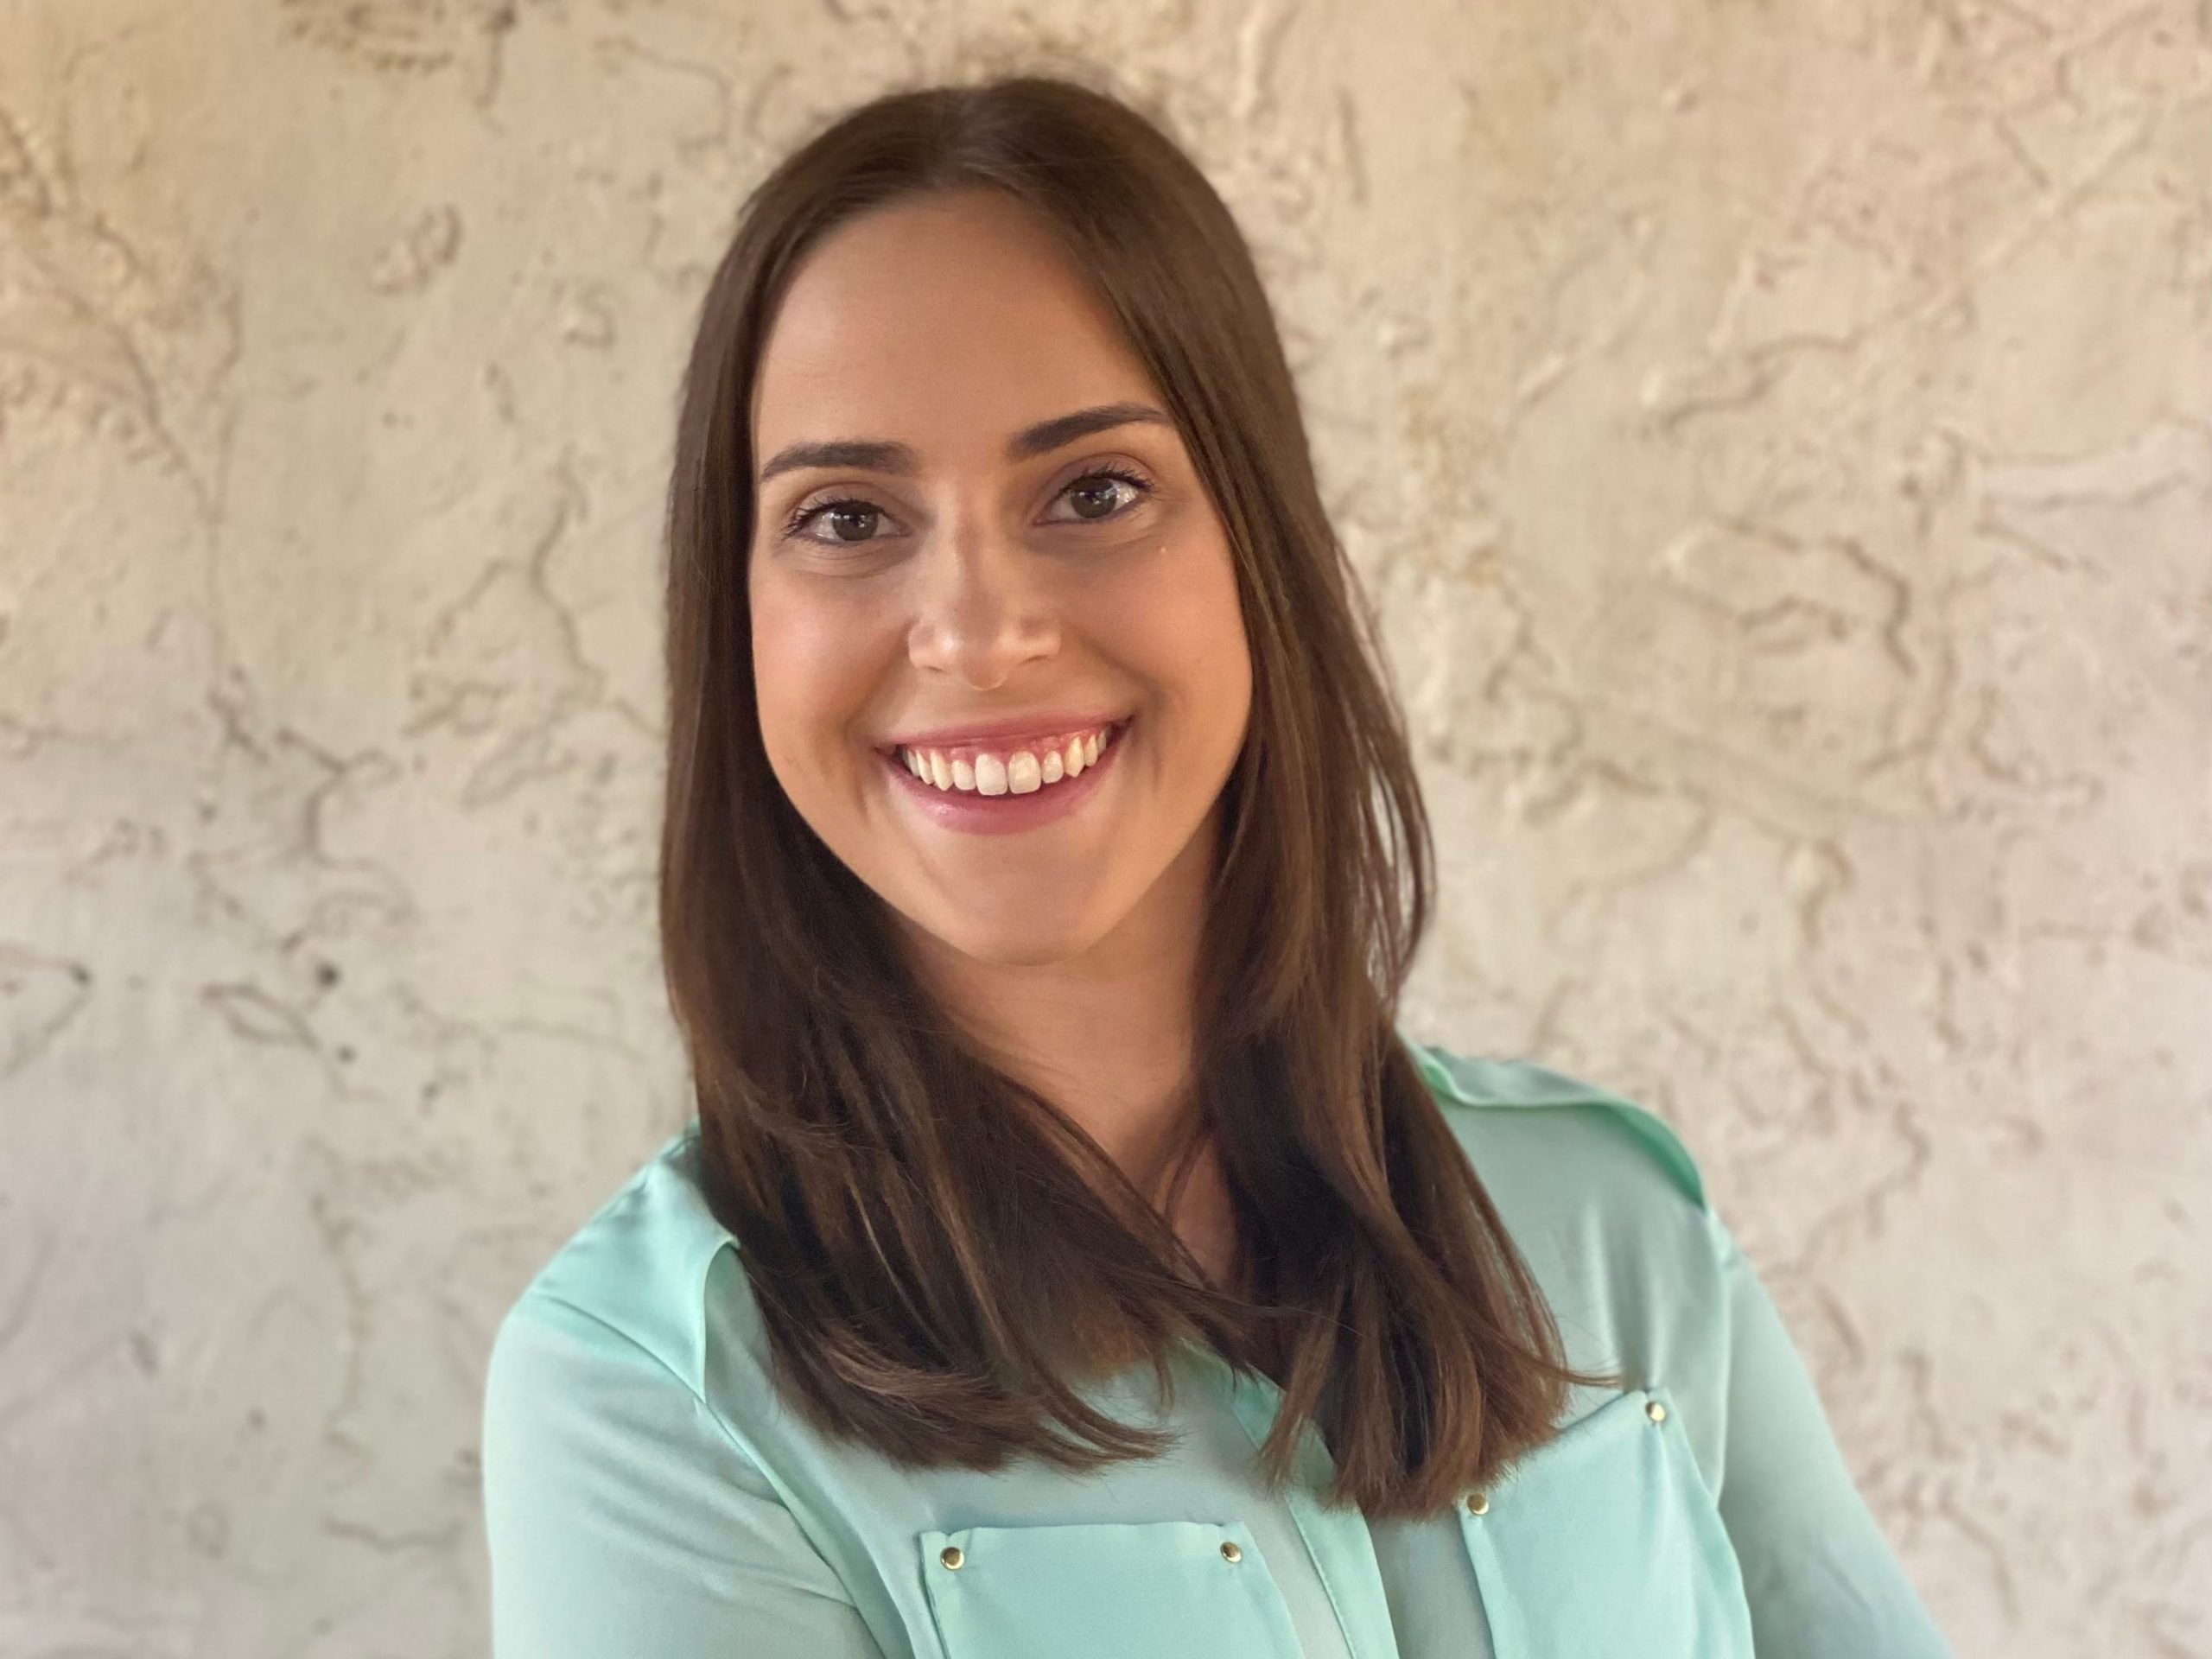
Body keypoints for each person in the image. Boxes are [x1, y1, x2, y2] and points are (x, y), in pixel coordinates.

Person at [479, 73, 1954, 1659]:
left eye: (1094, 492)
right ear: (739, 618)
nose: (979, 632)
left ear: (1256, 548)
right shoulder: (655, 1394)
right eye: (846, 517)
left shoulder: (1606, 1222)